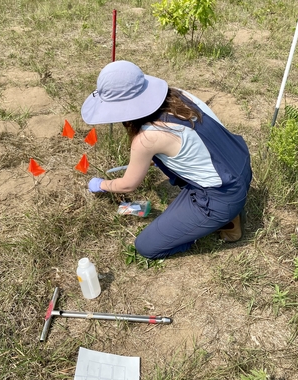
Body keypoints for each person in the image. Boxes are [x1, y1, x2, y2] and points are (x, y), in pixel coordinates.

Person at [81, 60, 252, 259]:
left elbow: (127, 185)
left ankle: (223, 219)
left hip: (222, 195)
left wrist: (102, 184)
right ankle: (226, 214)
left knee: (146, 246)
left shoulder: (147, 138)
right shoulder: (178, 95)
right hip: (239, 163)